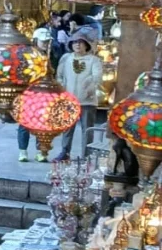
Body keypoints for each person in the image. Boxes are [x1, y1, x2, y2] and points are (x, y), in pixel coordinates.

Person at [56, 27, 103, 161]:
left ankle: (86, 155)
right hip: (69, 100)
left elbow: (97, 78)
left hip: (87, 101)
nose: (77, 45)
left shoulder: (93, 60)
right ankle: (65, 152)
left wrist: (88, 88)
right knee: (67, 128)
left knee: (87, 129)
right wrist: (62, 90)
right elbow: (59, 76)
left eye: (81, 42)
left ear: (86, 45)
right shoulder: (66, 58)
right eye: (75, 42)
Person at [18, 28, 54, 162]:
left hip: (44, 94)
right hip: (29, 93)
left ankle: (41, 151)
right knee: (24, 123)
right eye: (43, 41)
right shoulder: (27, 56)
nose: (46, 44)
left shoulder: (50, 56)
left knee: (42, 123)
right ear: (35, 41)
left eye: (47, 41)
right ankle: (22, 151)